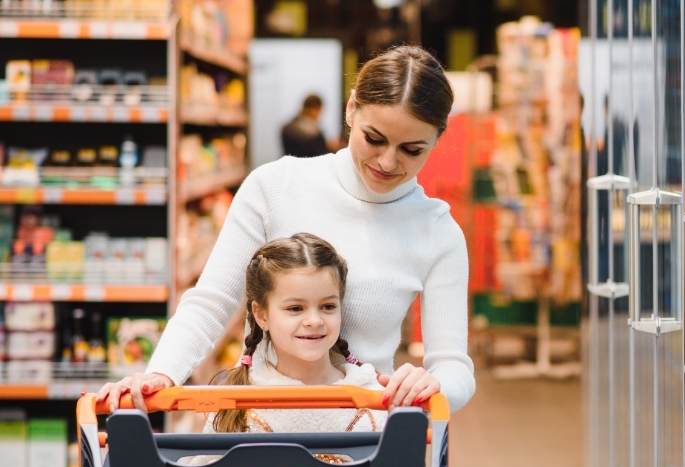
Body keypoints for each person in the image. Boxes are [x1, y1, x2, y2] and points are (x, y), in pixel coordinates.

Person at [98, 46, 474, 415]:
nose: (387, 161)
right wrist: (159, 374)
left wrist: (435, 385)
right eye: (374, 138)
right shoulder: (275, 186)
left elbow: (455, 367)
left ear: (438, 139)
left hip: (361, 441)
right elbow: (212, 302)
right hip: (261, 429)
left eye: (412, 149)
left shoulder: (437, 231)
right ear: (350, 109)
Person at [177, 234, 502, 467]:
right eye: (295, 308)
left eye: (327, 306)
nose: (314, 321)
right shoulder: (236, 408)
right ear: (261, 314)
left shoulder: (371, 405)